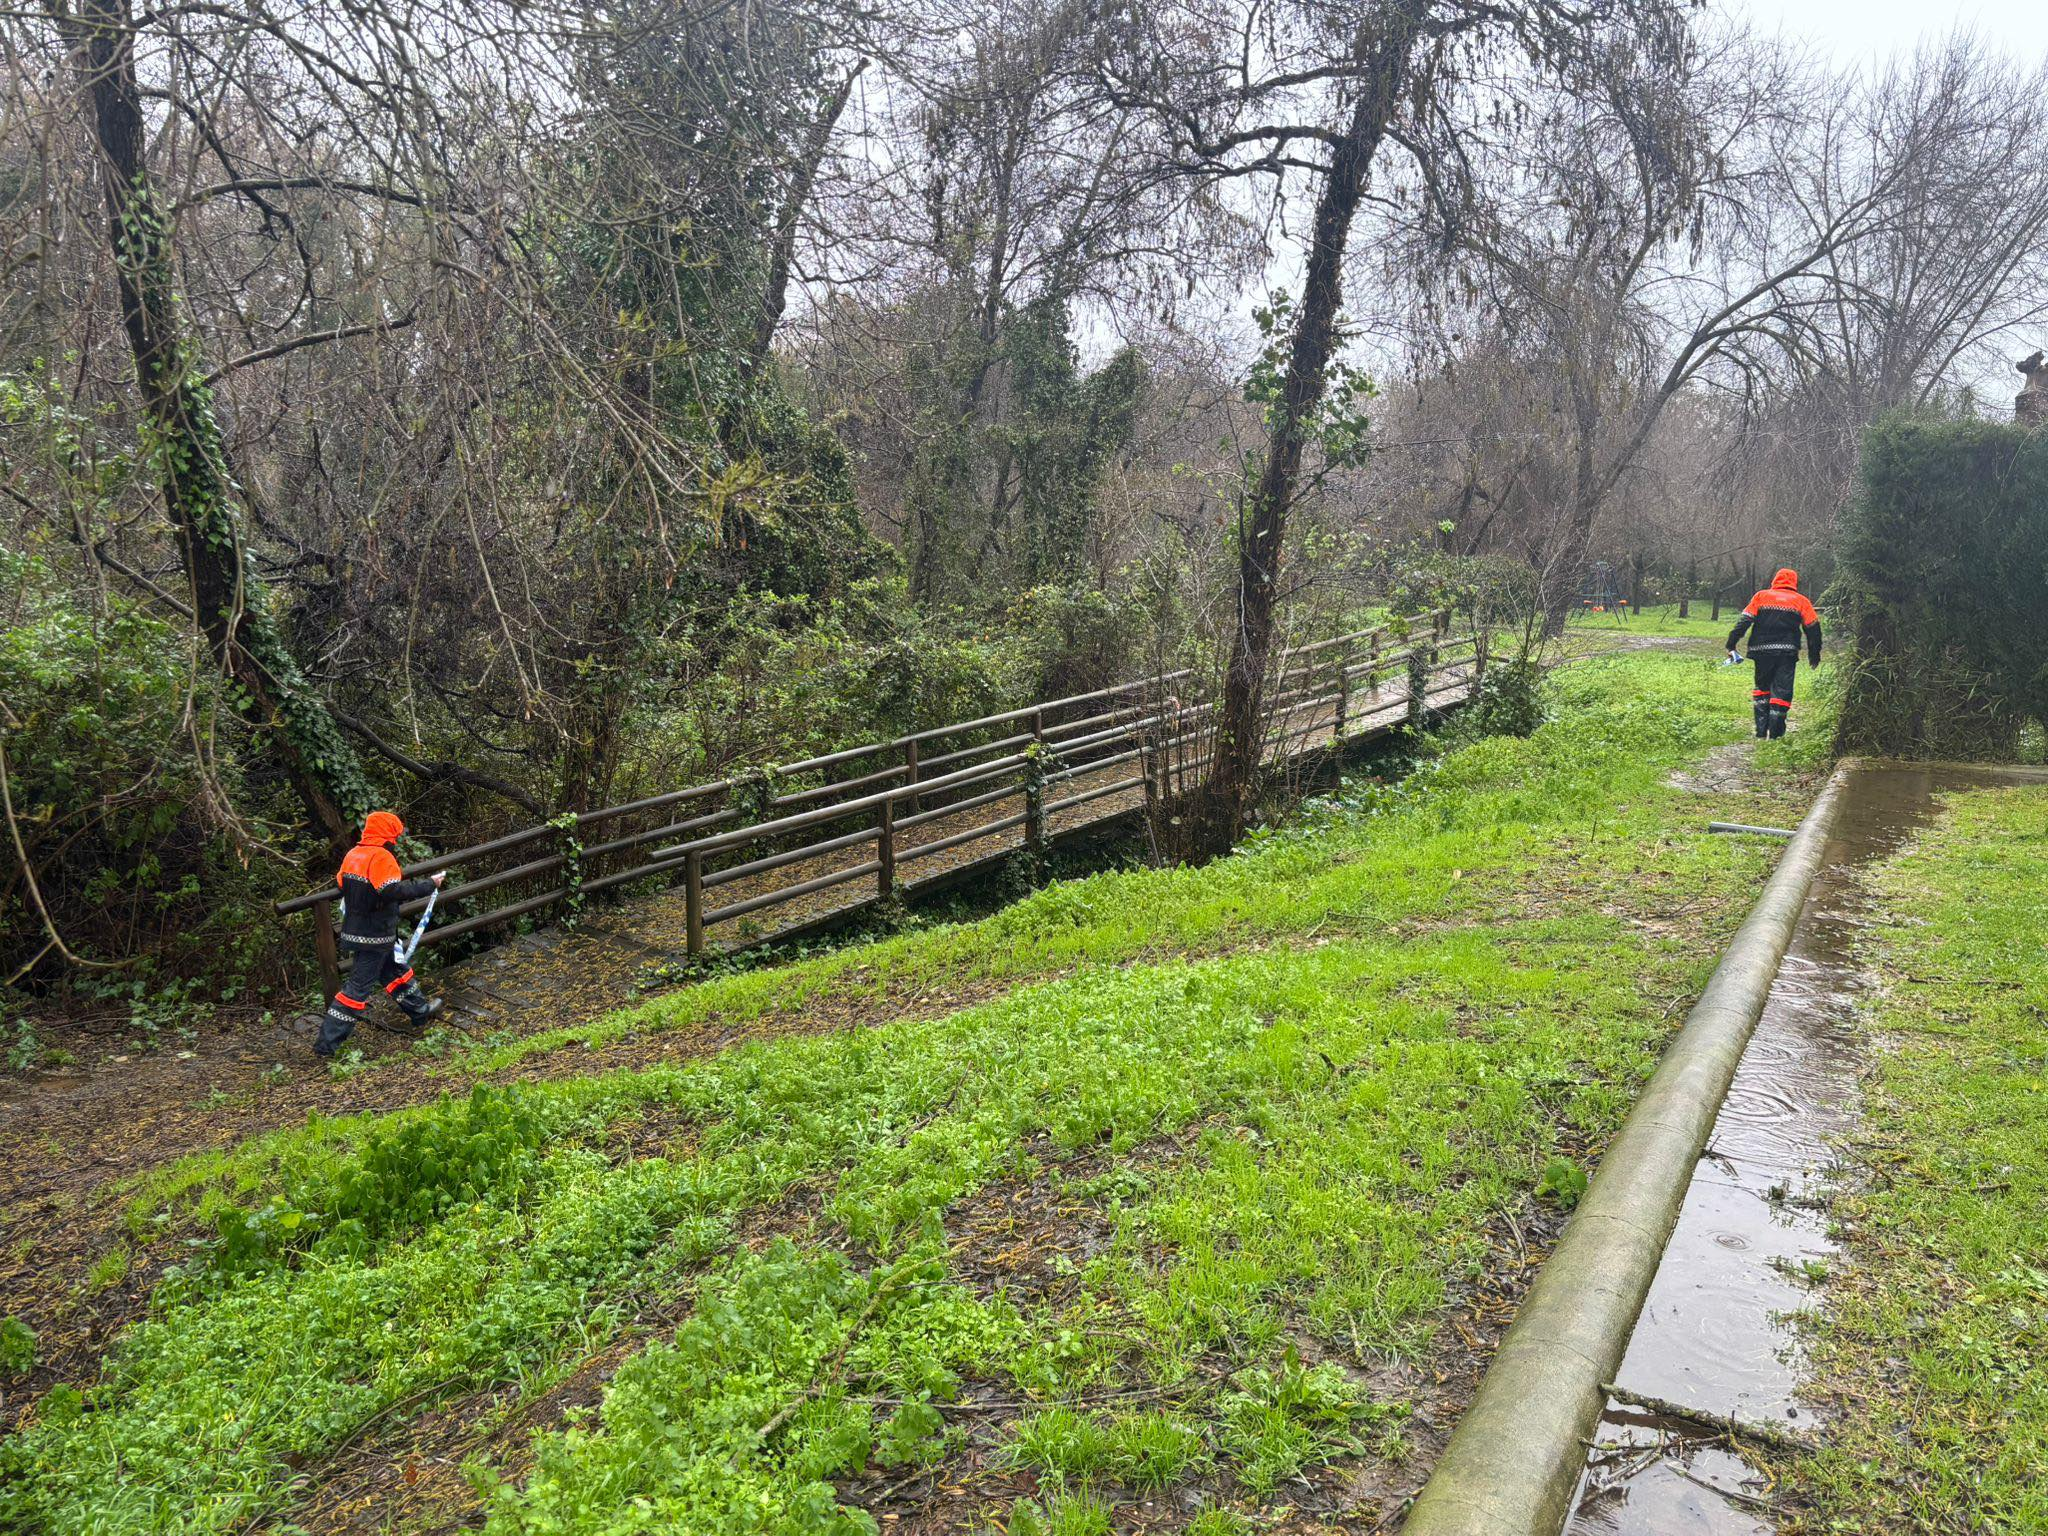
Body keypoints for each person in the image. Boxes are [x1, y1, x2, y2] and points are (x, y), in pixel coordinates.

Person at [315, 810, 446, 1058]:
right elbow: (391, 891)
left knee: (395, 971)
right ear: (388, 834)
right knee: (355, 991)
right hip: (376, 935)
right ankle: (326, 1045)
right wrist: (430, 884)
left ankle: (420, 1011)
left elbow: (342, 884)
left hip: (357, 931)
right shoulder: (381, 857)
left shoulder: (353, 854)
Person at [1726, 568, 1822, 740]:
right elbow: (1813, 629)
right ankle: (1776, 734)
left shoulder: (1761, 596)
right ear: (1794, 582)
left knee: (1762, 689)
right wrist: (1814, 654)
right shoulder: (1801, 601)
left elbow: (1744, 621)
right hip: (1786, 652)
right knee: (1782, 691)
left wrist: (1731, 643)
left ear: (1775, 580)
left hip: (1760, 651)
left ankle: (1761, 732)